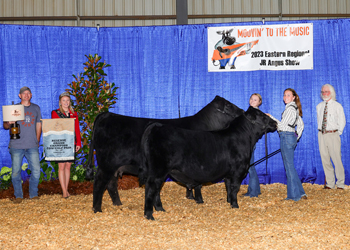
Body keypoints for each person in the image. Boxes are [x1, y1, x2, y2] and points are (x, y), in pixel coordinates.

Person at [3, 86, 42, 203]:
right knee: (15, 172)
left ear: (31, 95)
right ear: (20, 96)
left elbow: (39, 124)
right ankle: (18, 195)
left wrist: (37, 140)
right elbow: (5, 126)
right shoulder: (14, 108)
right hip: (16, 145)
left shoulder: (36, 108)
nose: (26, 95)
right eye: (24, 93)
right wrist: (9, 123)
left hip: (32, 145)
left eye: (28, 93)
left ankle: (33, 194)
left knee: (36, 170)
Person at [268, 88, 306, 201]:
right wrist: (296, 137)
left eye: (288, 95)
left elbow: (282, 126)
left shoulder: (290, 109)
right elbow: (301, 125)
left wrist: (270, 117)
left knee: (289, 168)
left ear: (293, 97)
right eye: (284, 95)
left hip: (285, 137)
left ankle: (294, 196)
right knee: (291, 167)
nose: (285, 97)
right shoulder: (294, 108)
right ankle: (301, 193)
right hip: (289, 137)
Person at [51, 92, 82, 198]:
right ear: (60, 102)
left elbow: (77, 129)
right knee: (61, 166)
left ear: (70, 102)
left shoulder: (74, 114)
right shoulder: (55, 113)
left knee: (68, 166)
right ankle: (64, 191)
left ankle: (66, 189)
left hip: (71, 142)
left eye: (67, 100)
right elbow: (56, 127)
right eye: (63, 100)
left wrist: (78, 143)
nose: (66, 102)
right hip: (61, 142)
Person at [317, 84, 346, 190]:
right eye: (323, 92)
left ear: (332, 93)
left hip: (333, 134)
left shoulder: (337, 106)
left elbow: (342, 121)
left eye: (326, 92)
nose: (324, 94)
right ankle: (330, 183)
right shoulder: (319, 106)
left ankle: (340, 183)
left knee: (337, 159)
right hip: (321, 134)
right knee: (325, 159)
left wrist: (337, 133)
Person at [243, 93, 262, 197]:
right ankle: (254, 190)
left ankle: (253, 192)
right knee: (250, 166)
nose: (252, 101)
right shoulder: (250, 112)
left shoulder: (256, 113)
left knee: (250, 167)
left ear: (259, 102)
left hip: (249, 142)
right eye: (251, 99)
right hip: (247, 142)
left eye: (255, 100)